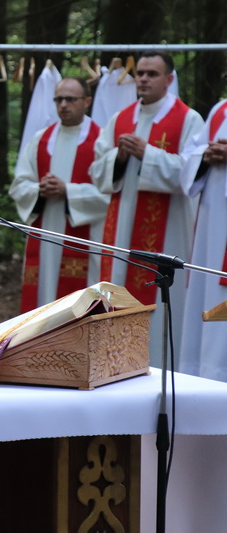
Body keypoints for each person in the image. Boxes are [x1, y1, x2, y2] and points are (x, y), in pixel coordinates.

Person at [89, 51, 203, 362]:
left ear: (169, 79)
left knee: (164, 303)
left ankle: (163, 362)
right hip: (122, 231)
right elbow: (97, 171)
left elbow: (192, 174)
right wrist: (120, 158)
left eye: (152, 74)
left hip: (168, 230)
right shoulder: (119, 119)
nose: (143, 79)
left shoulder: (189, 119)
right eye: (140, 73)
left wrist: (147, 153)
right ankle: (115, 363)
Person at [9, 77, 110, 312]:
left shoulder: (101, 140)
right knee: (43, 299)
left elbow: (110, 195)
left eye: (70, 99)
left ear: (87, 101)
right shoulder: (40, 139)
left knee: (82, 303)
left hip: (86, 238)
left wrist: (68, 191)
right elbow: (19, 186)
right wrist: (39, 190)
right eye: (59, 99)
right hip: (45, 235)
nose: (63, 104)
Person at [178, 99, 227, 381]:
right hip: (211, 229)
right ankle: (206, 379)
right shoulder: (220, 109)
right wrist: (204, 156)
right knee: (207, 296)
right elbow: (189, 154)